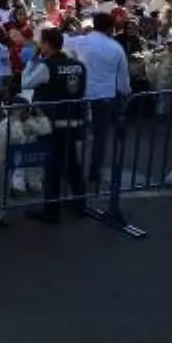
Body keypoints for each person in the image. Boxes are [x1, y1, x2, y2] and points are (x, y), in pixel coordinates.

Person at [21, 27, 88, 224]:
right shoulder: (78, 65)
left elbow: (26, 83)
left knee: (52, 169)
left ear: (47, 44)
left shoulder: (46, 66)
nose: (39, 46)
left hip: (52, 124)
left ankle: (51, 211)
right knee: (73, 164)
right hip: (74, 122)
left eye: (41, 43)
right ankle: (79, 204)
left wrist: (33, 59)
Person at [68, 12, 130, 187]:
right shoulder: (116, 48)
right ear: (111, 28)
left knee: (76, 133)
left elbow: (62, 38)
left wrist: (79, 31)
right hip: (104, 96)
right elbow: (123, 80)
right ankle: (94, 171)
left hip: (81, 94)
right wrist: (126, 92)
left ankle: (73, 170)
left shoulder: (81, 41)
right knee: (99, 136)